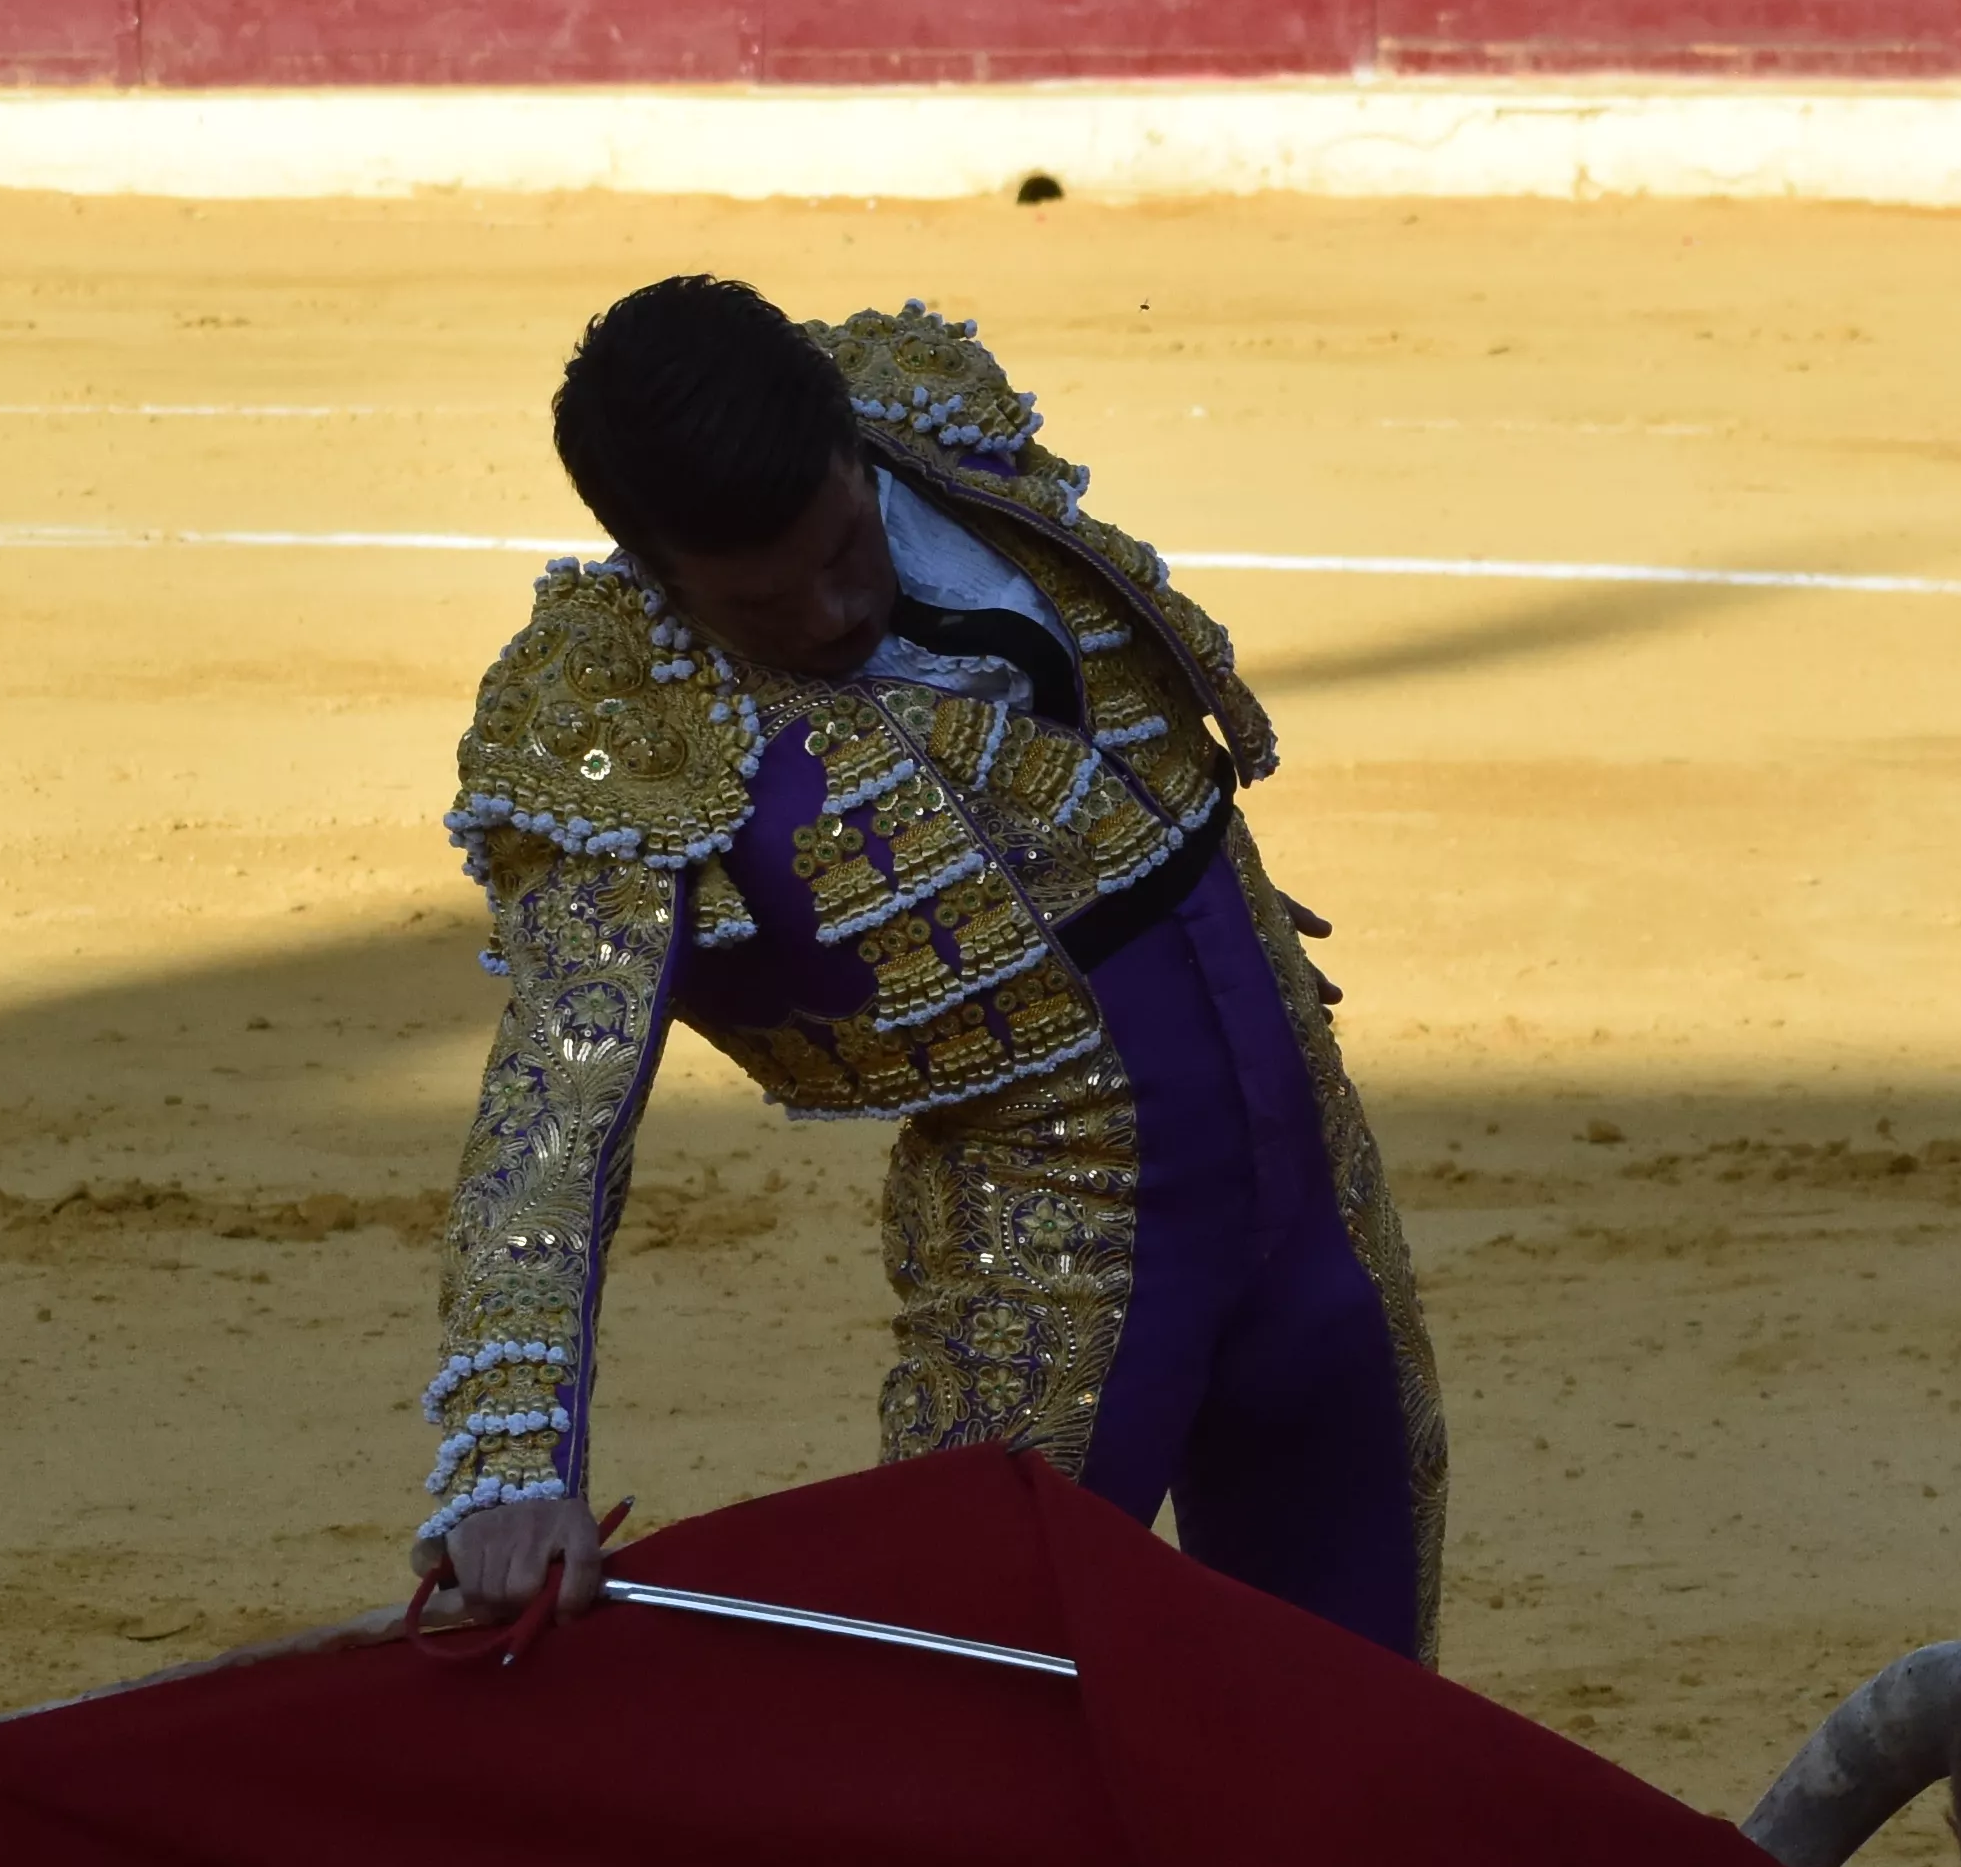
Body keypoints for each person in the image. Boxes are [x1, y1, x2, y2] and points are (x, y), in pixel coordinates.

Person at [420, 281, 1442, 1656]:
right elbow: (557, 1101)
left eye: (845, 546)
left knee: (1358, 1674)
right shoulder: (620, 719)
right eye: (761, 603)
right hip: (1060, 1231)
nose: (835, 610)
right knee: (968, 1693)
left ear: (855, 447)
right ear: (657, 578)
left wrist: (1187, 882)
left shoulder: (931, 424)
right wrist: (508, 1465)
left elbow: (1104, 714)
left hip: (1308, 1158)